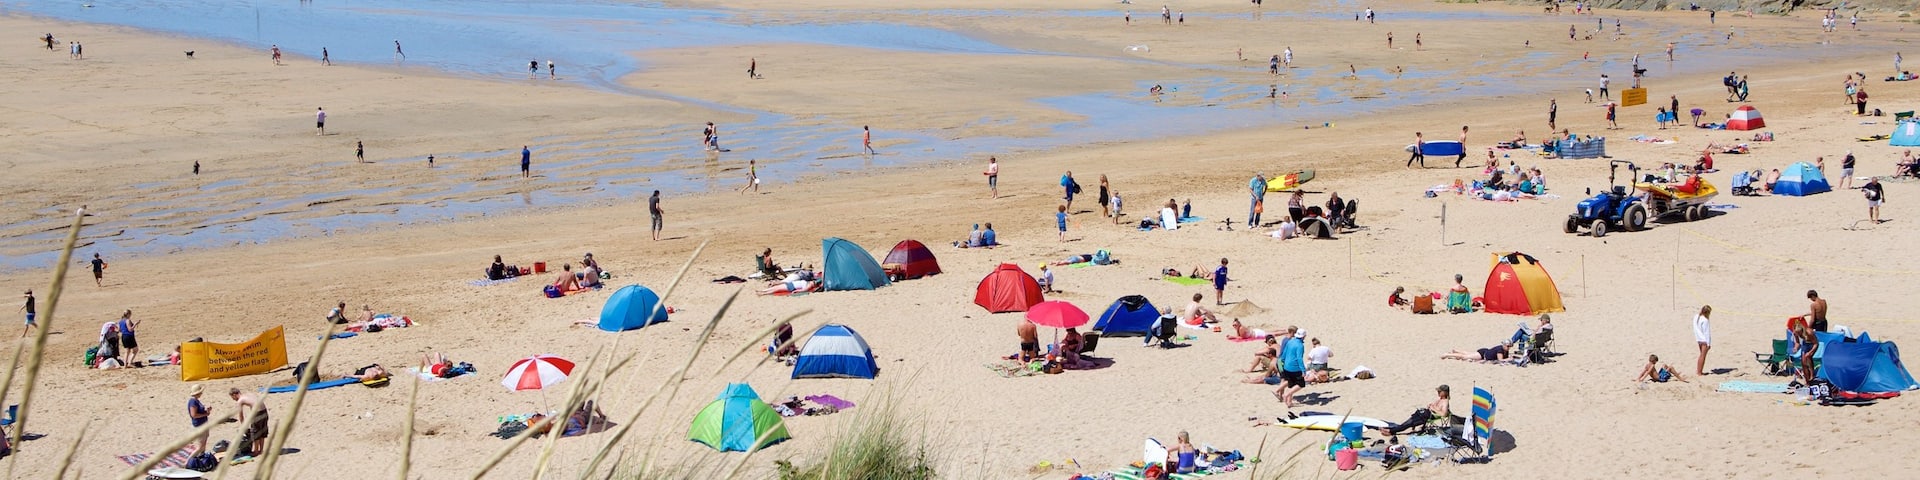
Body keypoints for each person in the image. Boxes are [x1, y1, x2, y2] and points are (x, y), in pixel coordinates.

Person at [1374, 385, 1453, 437]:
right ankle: (1392, 430)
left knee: (1409, 423)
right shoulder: (1440, 399)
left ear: (1445, 392)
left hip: (1428, 416)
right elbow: (1434, 407)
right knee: (1409, 421)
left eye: (1439, 392)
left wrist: (1433, 408)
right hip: (1425, 413)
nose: (1438, 393)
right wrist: (1431, 406)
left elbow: (1443, 414)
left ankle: (1391, 431)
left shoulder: (1445, 402)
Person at [230, 388, 269, 457]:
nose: (233, 399)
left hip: (257, 413)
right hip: (264, 411)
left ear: (234, 395)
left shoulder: (240, 400)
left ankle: (256, 451)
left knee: (255, 432)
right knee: (262, 431)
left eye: (232, 397)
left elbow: (241, 415)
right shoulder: (248, 394)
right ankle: (261, 450)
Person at [1275, 327, 1306, 408]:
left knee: (1291, 384)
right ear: (1303, 336)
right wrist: (1303, 370)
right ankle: (1287, 395)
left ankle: (1289, 402)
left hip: (1286, 366)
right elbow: (1299, 358)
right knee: (1301, 384)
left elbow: (1284, 353)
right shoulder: (1300, 345)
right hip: (1294, 367)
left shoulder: (1290, 342)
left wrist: (1283, 362)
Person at [187, 385, 212, 455]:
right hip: (199, 425)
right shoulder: (193, 402)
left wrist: (207, 411)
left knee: (203, 444)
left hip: (203, 424)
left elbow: (198, 412)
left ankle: (202, 456)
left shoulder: (196, 401)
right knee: (200, 446)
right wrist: (205, 415)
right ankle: (188, 461)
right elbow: (194, 415)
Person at [1693, 305, 1713, 376]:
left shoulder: (1696, 317)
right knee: (1702, 356)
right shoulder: (1705, 320)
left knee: (1701, 355)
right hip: (1704, 340)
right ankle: (1699, 372)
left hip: (1698, 338)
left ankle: (1699, 370)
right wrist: (1709, 344)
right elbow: (1707, 332)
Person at [1442, 342, 1511, 362]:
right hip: (1483, 355)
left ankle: (1456, 351)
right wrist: (1508, 359)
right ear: (1504, 345)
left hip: (1485, 351)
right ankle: (1447, 355)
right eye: (1508, 346)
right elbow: (1500, 360)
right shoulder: (1500, 350)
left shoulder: (1505, 350)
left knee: (1469, 353)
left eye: (1510, 346)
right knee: (1464, 357)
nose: (1509, 347)